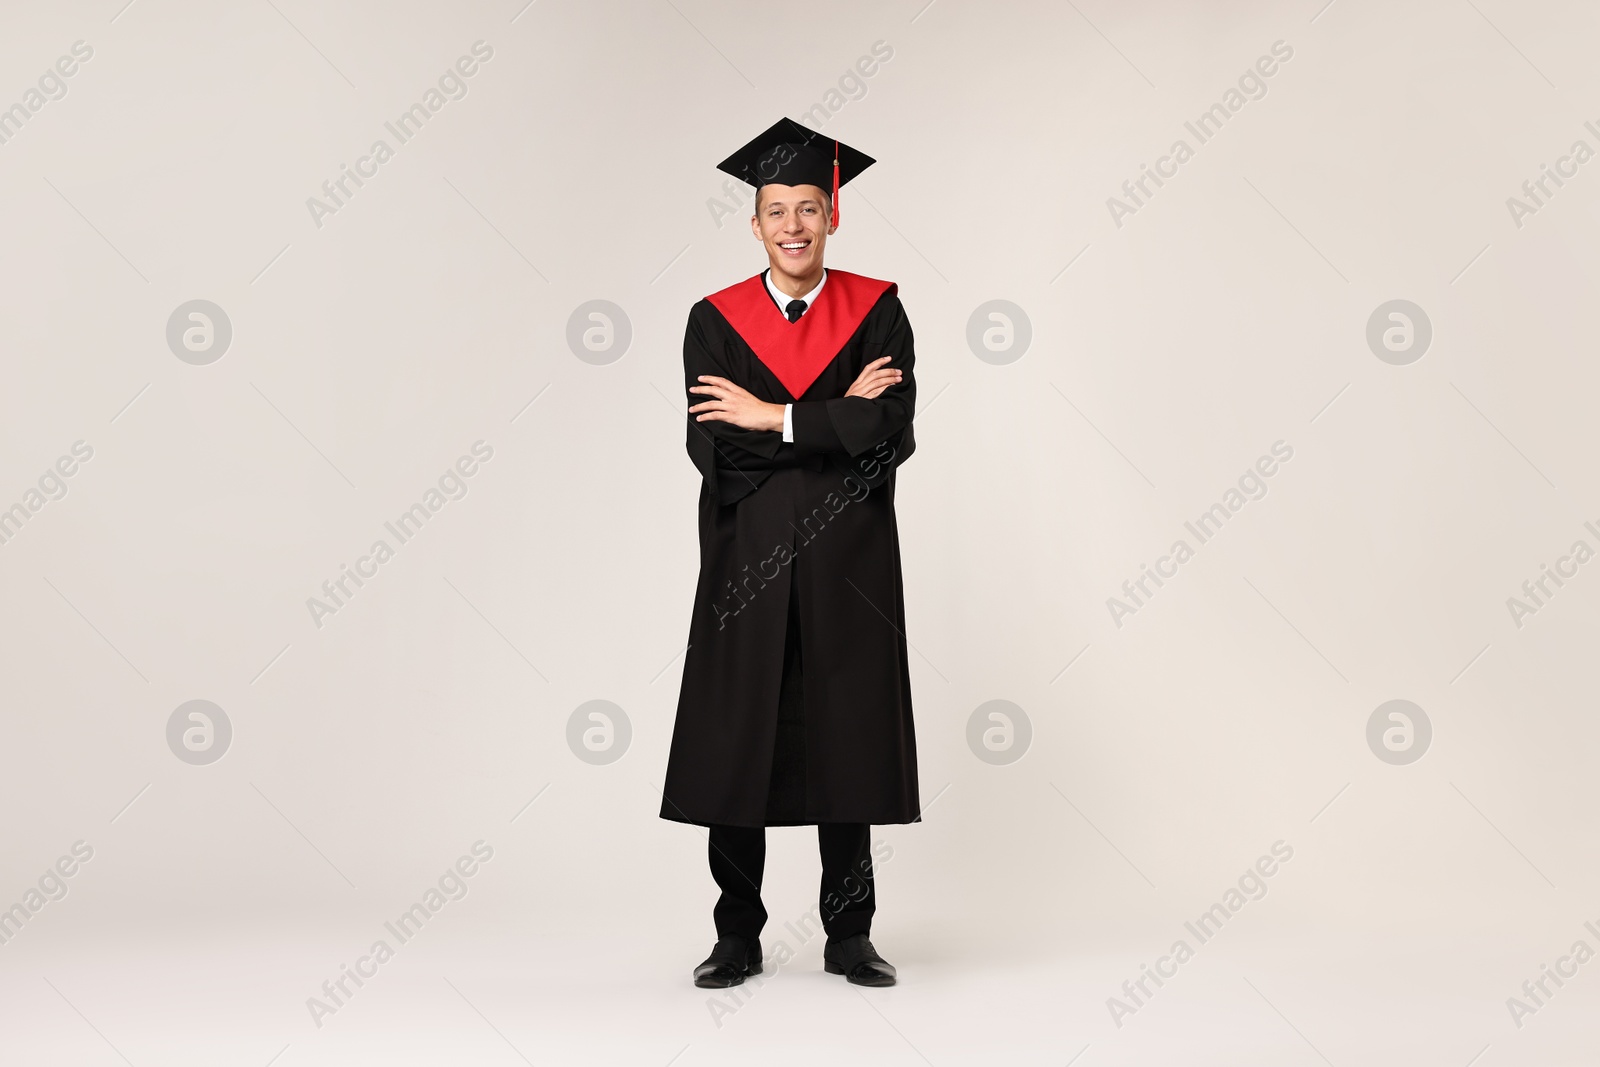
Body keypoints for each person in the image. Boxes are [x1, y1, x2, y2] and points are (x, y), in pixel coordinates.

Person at [658, 117, 921, 989]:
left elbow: (888, 434)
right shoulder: (714, 320)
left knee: (847, 734)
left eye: (810, 207)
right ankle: (737, 935)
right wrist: (832, 419)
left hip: (851, 562)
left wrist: (773, 417)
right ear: (756, 223)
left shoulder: (877, 308)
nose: (794, 225)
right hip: (748, 560)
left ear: (833, 214)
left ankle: (851, 934)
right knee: (741, 738)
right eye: (777, 211)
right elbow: (714, 449)